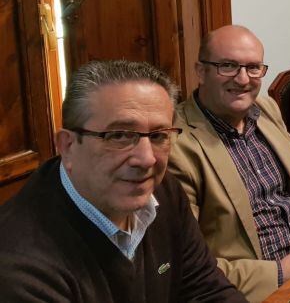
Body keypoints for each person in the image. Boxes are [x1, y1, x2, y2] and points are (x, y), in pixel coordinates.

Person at [0, 60, 245, 302]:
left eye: (159, 135)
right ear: (68, 146)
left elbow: (208, 290)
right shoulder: (19, 267)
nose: (147, 159)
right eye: (119, 135)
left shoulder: (164, 191)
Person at [169, 25, 290, 302]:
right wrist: (280, 272)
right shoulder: (175, 144)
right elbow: (185, 262)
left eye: (253, 68)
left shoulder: (265, 109)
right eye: (227, 66)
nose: (242, 79)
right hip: (258, 289)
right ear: (200, 71)